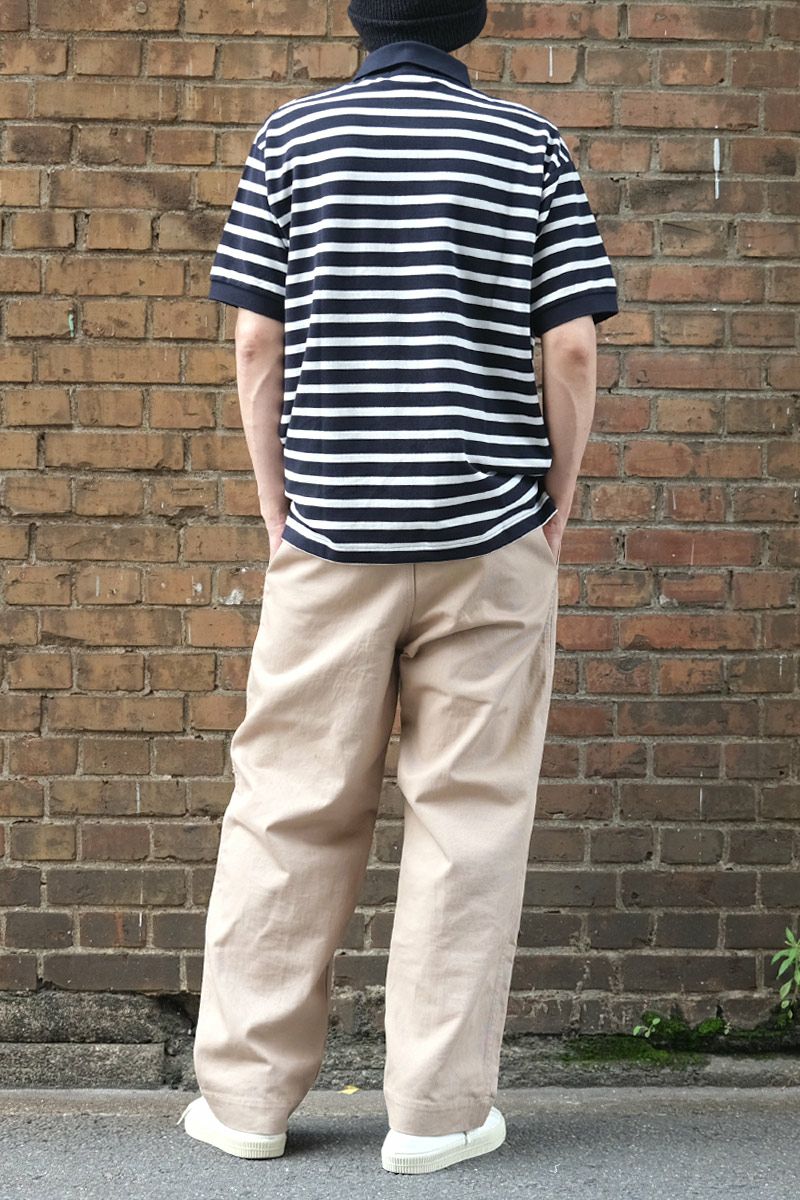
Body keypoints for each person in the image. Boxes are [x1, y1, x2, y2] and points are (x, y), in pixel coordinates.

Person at [177, 0, 618, 1175]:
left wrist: (279, 504)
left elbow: (256, 343)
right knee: (467, 818)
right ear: (466, 22)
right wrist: (556, 498)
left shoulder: (291, 138)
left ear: (360, 20)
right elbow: (571, 346)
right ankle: (435, 1115)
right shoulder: (526, 144)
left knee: (288, 806)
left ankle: (245, 1102)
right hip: (489, 536)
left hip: (329, 537)